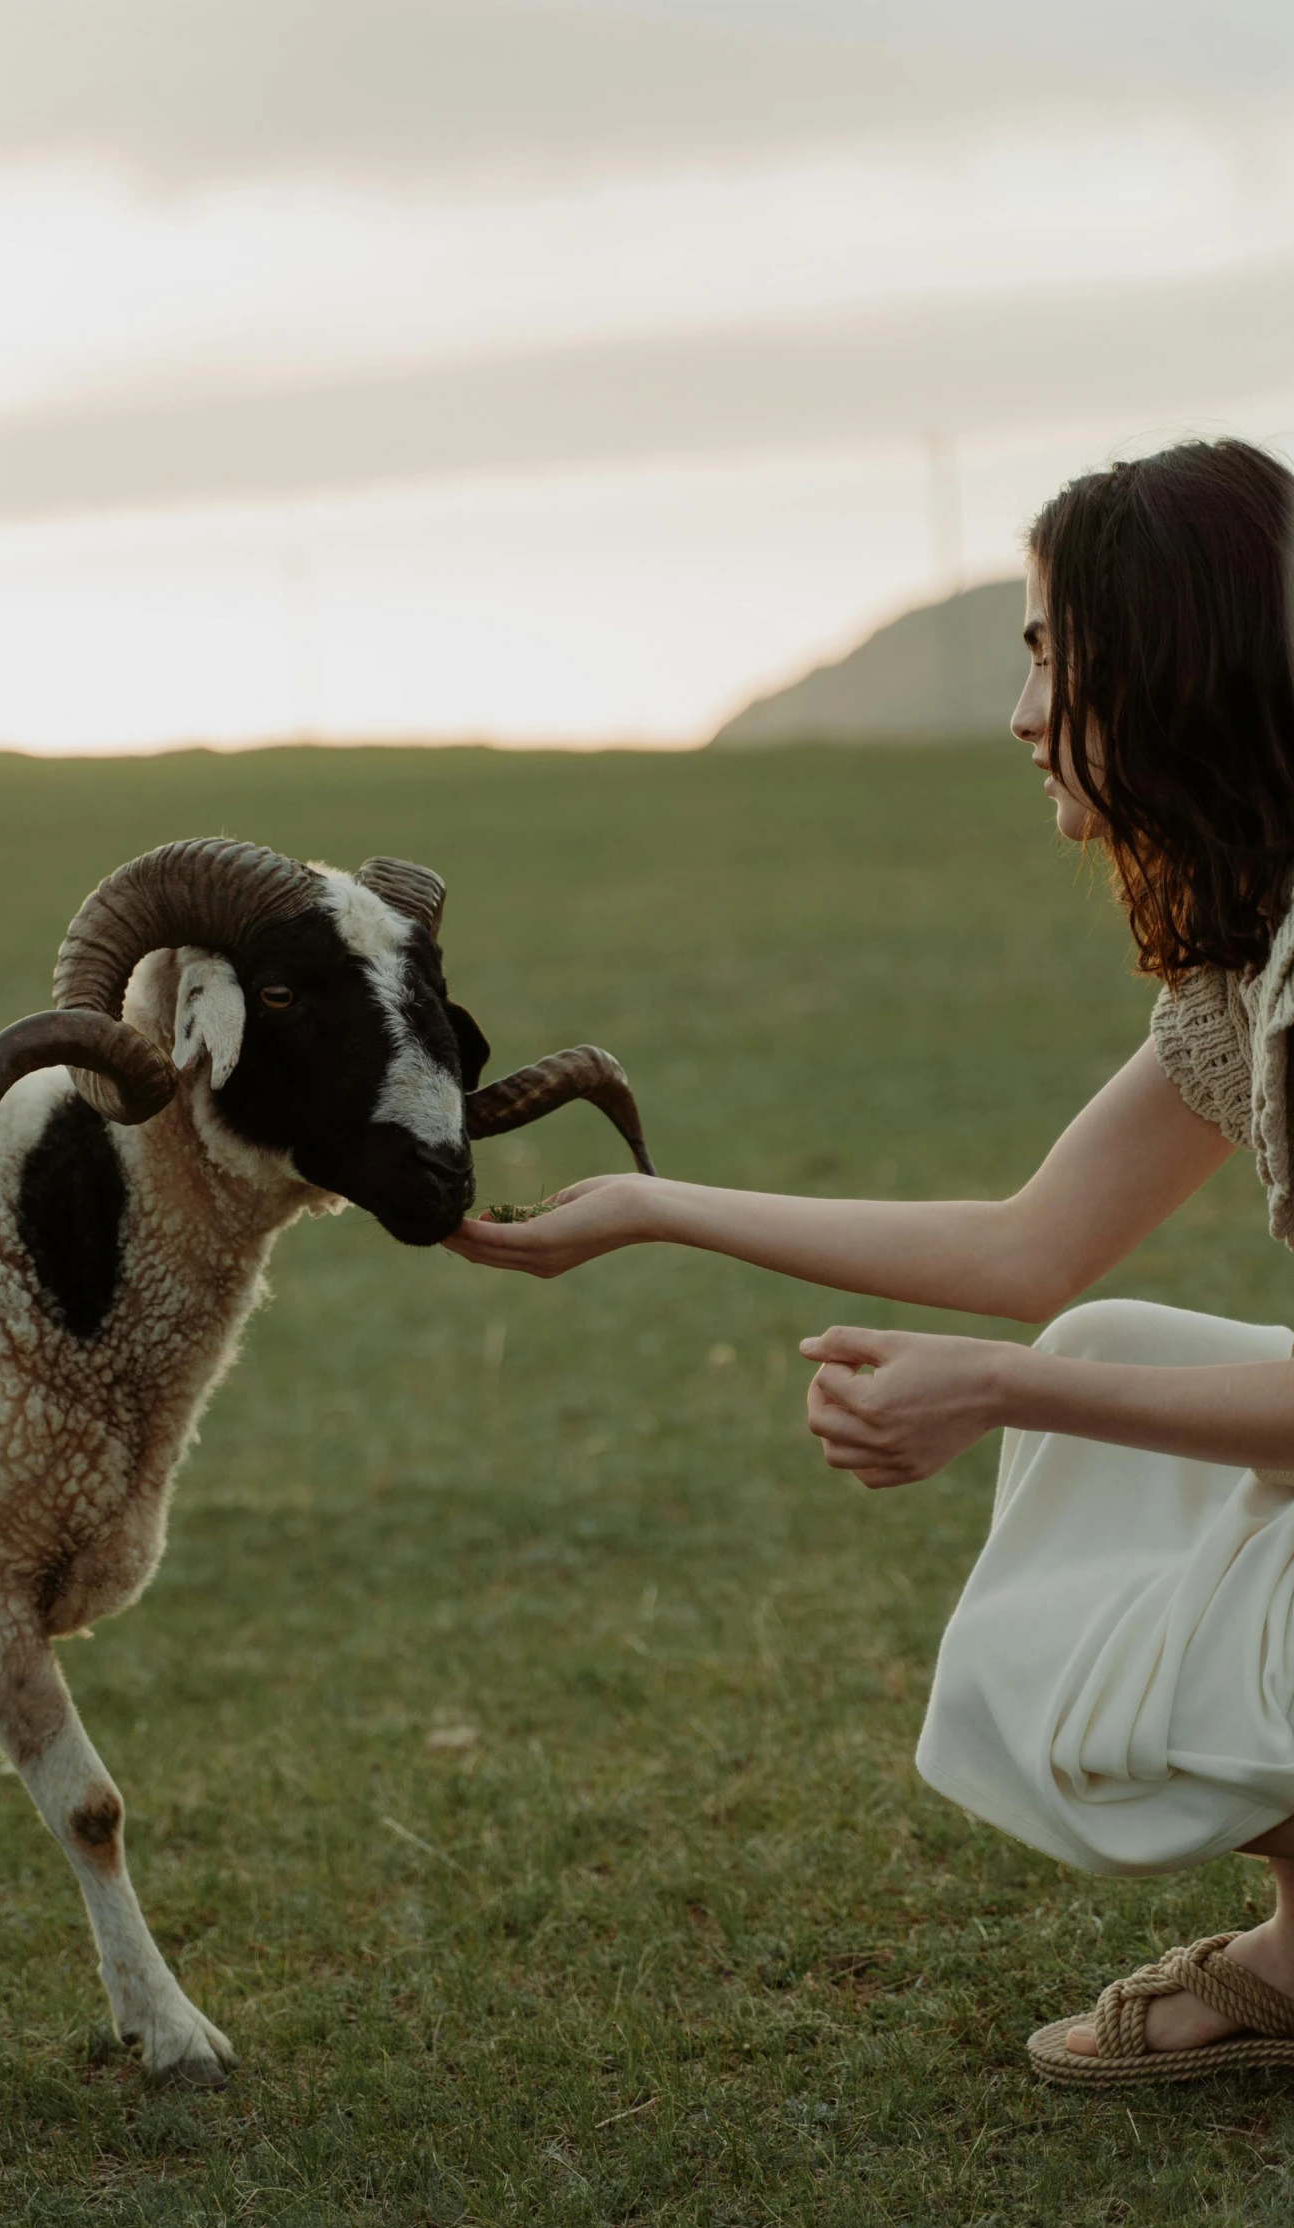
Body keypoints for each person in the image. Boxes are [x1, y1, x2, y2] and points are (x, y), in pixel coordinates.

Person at [445, 438, 1294, 2087]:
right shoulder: (1244, 957)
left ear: (1169, 657)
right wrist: (648, 1207)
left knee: (1096, 1422)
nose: (1022, 706)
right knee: (1108, 1329)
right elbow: (1026, 1240)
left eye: (1052, 649)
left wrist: (996, 1388)